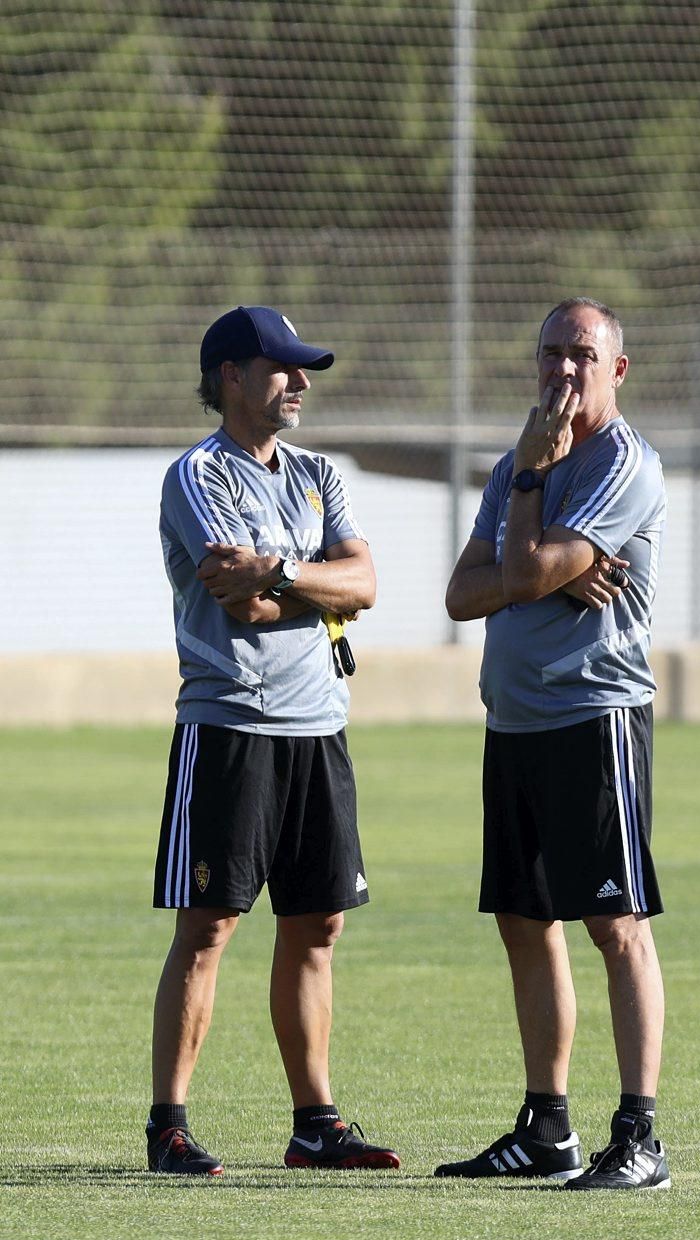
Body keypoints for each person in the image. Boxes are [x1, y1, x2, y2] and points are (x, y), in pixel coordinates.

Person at [148, 305, 400, 1176]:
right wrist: (317, 588)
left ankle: (314, 1123)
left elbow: (364, 583)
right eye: (281, 367)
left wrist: (287, 571)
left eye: (303, 369)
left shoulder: (318, 474)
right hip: (231, 726)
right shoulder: (198, 476)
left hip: (318, 726)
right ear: (230, 376)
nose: (299, 382)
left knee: (318, 920)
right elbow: (237, 602)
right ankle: (169, 1125)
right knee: (211, 922)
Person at [434, 297, 669, 1190]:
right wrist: (537, 563)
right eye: (549, 354)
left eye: (581, 354)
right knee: (524, 921)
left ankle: (640, 1136)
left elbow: (519, 570)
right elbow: (462, 593)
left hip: (593, 714)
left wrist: (529, 528)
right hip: (516, 720)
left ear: (617, 369)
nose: (562, 370)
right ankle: (547, 1127)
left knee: (615, 924)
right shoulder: (514, 462)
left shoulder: (621, 463)